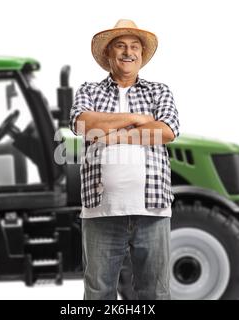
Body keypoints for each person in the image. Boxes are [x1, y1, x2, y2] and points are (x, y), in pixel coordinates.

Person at [69, 19, 180, 300]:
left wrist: (112, 135)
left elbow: (166, 131)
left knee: (155, 293)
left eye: (134, 47)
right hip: (101, 212)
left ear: (141, 55)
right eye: (120, 46)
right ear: (108, 54)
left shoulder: (159, 91)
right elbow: (82, 124)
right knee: (98, 293)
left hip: (152, 210)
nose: (127, 52)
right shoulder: (89, 90)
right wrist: (135, 119)